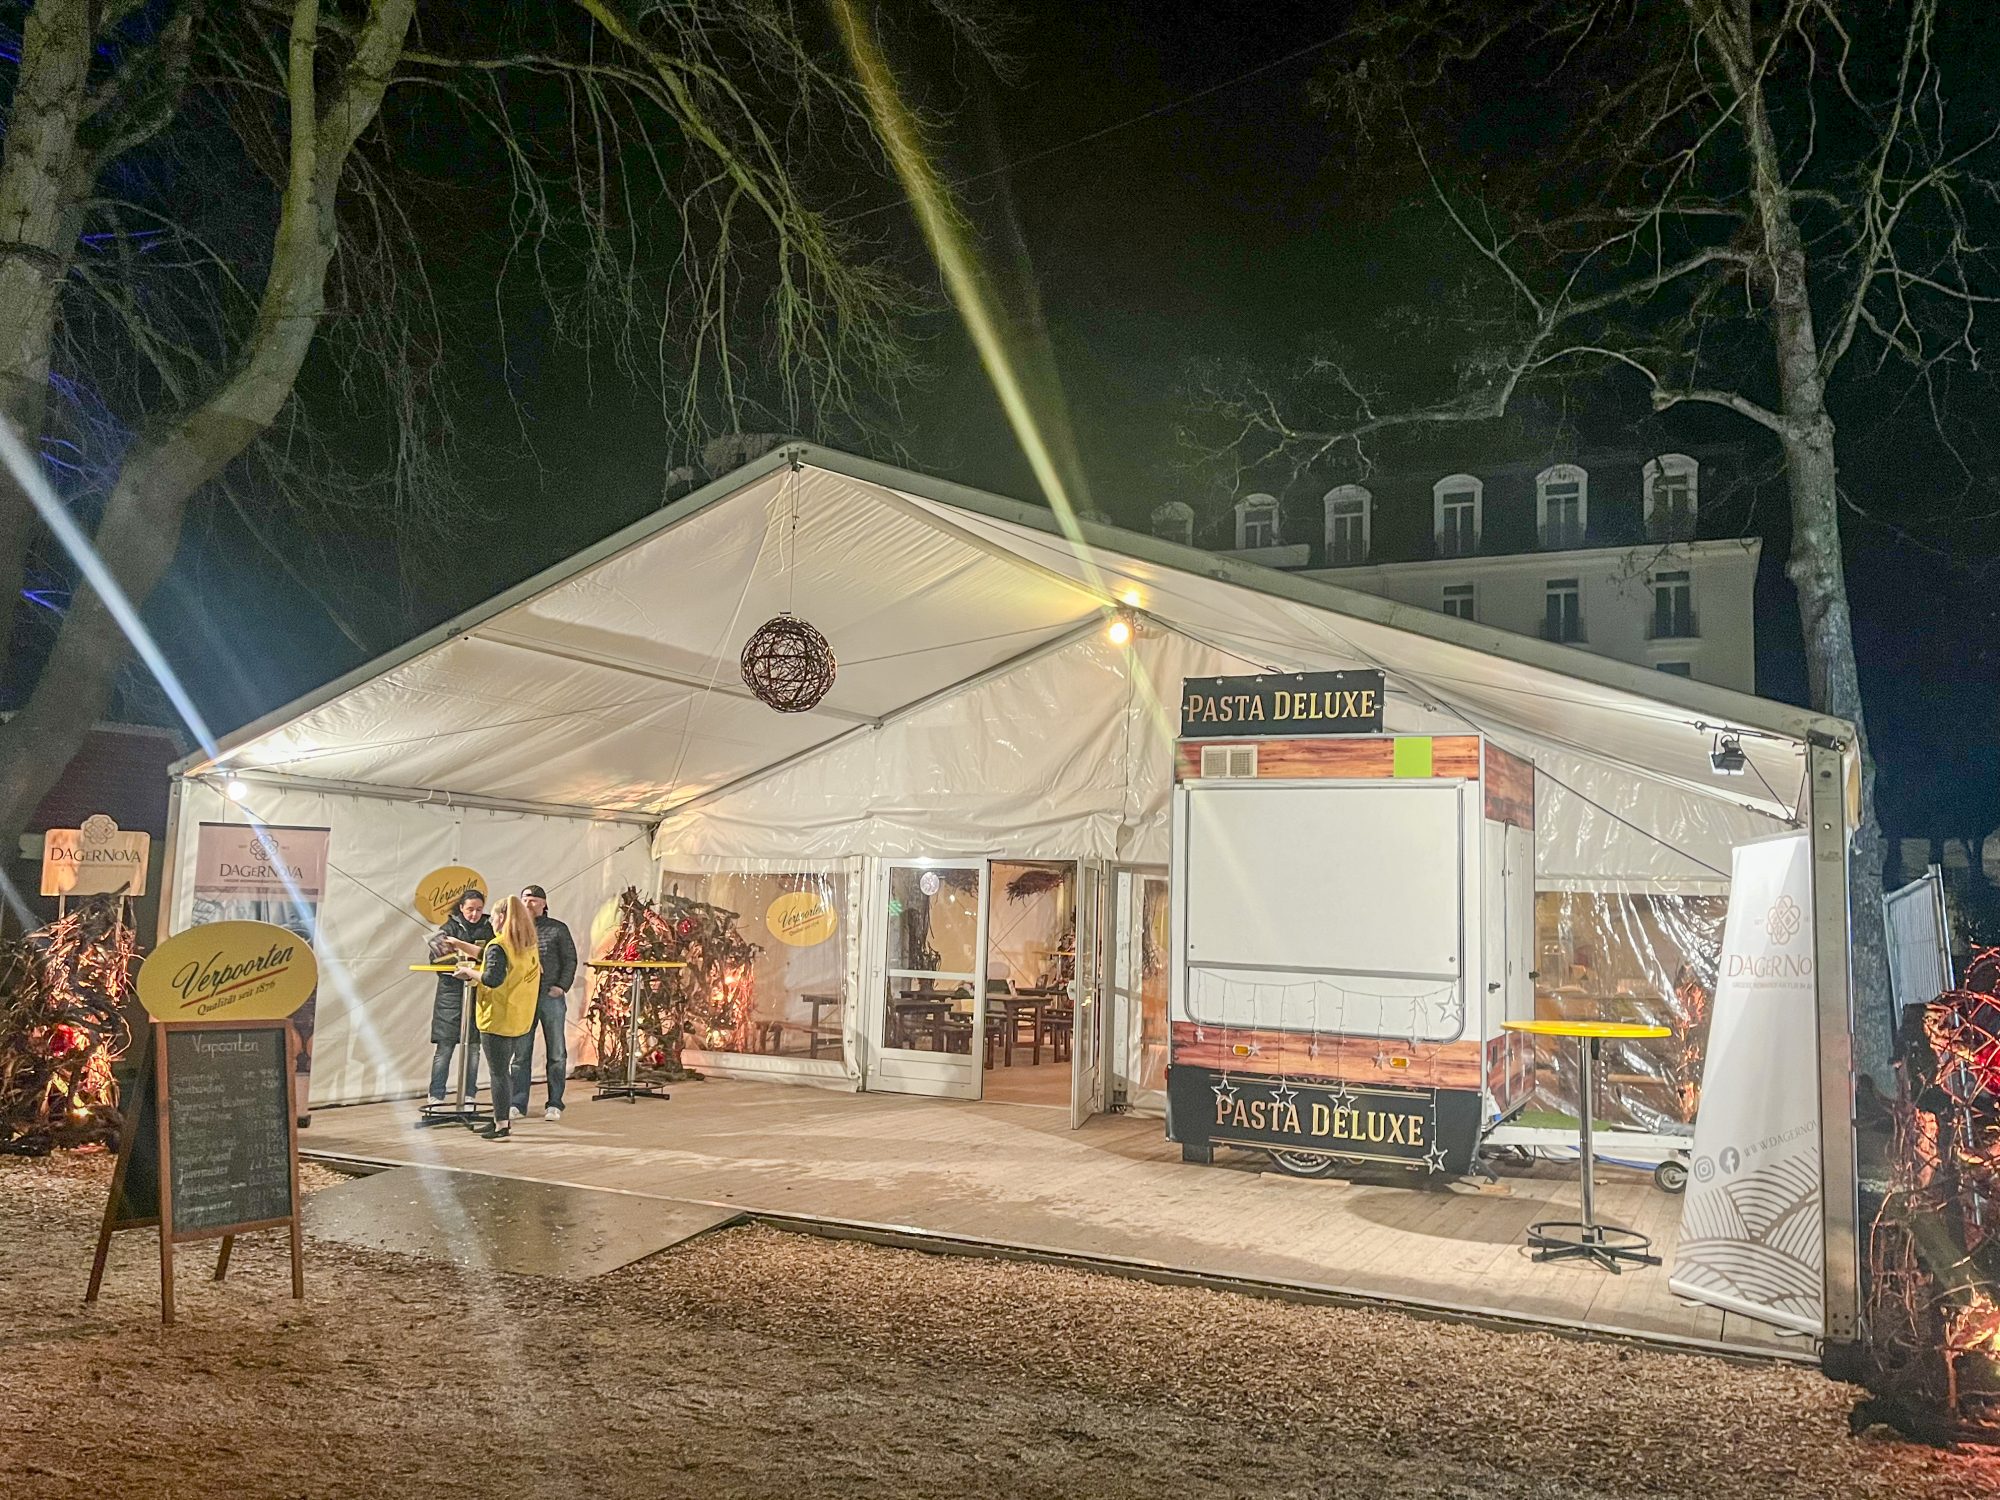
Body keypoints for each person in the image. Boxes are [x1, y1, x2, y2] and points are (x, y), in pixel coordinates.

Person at [454, 895, 542, 1140]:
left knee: (499, 1074)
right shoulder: (527, 944)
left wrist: (467, 971)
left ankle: (501, 1124)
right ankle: (500, 1119)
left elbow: (493, 977)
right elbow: (492, 957)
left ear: (502, 917)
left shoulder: (499, 945)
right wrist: (460, 944)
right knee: (506, 1071)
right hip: (520, 1016)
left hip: (497, 1017)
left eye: (491, 916)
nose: (490, 920)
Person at [515, 884, 579, 1122]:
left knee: (556, 1052)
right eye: (524, 899)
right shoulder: (516, 929)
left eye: (533, 900)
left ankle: (555, 1102)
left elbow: (570, 959)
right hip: (523, 997)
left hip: (549, 996)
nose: (528, 904)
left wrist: (561, 986)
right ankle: (517, 1102)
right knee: (521, 1052)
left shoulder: (557, 929)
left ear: (543, 903)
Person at [426, 889, 493, 1105]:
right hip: (450, 996)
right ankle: (436, 1095)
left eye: (478, 910)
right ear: (461, 908)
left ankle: (469, 1094)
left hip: (478, 994)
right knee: (444, 1047)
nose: (474, 914)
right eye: (470, 909)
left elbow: (494, 960)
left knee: (474, 1047)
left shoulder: (489, 928)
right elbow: (436, 962)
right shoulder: (447, 928)